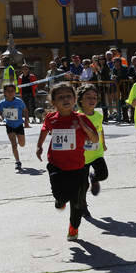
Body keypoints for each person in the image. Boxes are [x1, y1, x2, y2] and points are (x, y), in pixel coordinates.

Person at [36, 82, 99, 241]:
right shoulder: (51, 118)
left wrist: (85, 127)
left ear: (75, 99)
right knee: (60, 194)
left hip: (78, 167)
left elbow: (95, 138)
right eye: (60, 97)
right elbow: (44, 129)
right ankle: (60, 199)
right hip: (56, 164)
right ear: (54, 102)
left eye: (69, 96)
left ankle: (74, 227)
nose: (65, 99)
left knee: (77, 202)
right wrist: (39, 146)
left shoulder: (81, 118)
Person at [77, 84, 107, 217]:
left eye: (94, 97)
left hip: (96, 153)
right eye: (88, 97)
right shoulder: (76, 117)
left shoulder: (99, 116)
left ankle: (94, 178)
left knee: (104, 174)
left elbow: (100, 130)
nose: (92, 100)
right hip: (81, 156)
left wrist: (104, 143)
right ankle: (83, 206)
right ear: (80, 100)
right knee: (82, 186)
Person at [0, 83, 28, 170]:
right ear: (4, 92)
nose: (10, 93)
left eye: (12, 91)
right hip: (9, 125)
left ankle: (19, 141)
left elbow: (25, 110)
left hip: (19, 125)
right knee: (14, 145)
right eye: (8, 91)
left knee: (22, 144)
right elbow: (0, 112)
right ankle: (17, 161)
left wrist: (26, 121)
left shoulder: (19, 101)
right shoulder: (2, 103)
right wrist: (0, 117)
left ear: (15, 92)